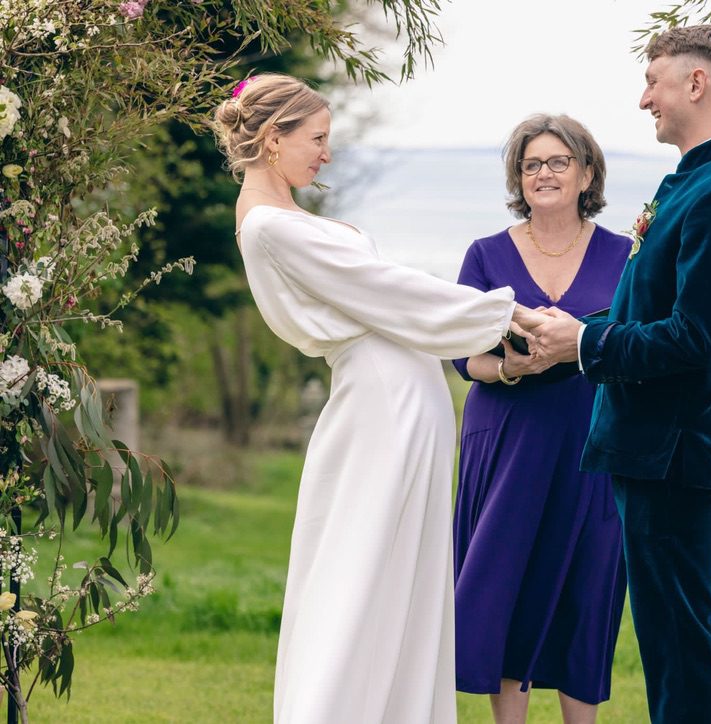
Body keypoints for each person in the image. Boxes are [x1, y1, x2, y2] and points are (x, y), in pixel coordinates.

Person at [212, 73, 547, 724]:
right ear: (272, 139)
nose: (326, 153)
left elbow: (383, 293)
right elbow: (387, 290)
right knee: (359, 570)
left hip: (398, 402)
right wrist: (508, 314)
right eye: (317, 138)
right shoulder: (271, 229)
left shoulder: (283, 218)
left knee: (400, 573)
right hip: (379, 410)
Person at [531, 26, 711, 723]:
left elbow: (696, 339)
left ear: (696, 84)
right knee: (669, 640)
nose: (645, 100)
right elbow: (656, 307)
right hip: (654, 450)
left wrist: (587, 344)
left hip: (675, 452)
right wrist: (565, 336)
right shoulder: (699, 182)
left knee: (681, 643)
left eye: (654, 81)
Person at [450, 115, 628, 724]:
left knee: (588, 582)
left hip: (592, 438)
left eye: (557, 162)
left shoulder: (627, 255)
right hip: (506, 439)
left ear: (586, 173)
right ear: (518, 179)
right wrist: (511, 369)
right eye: (531, 165)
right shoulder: (486, 254)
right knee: (508, 585)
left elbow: (638, 344)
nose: (543, 174)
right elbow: (459, 354)